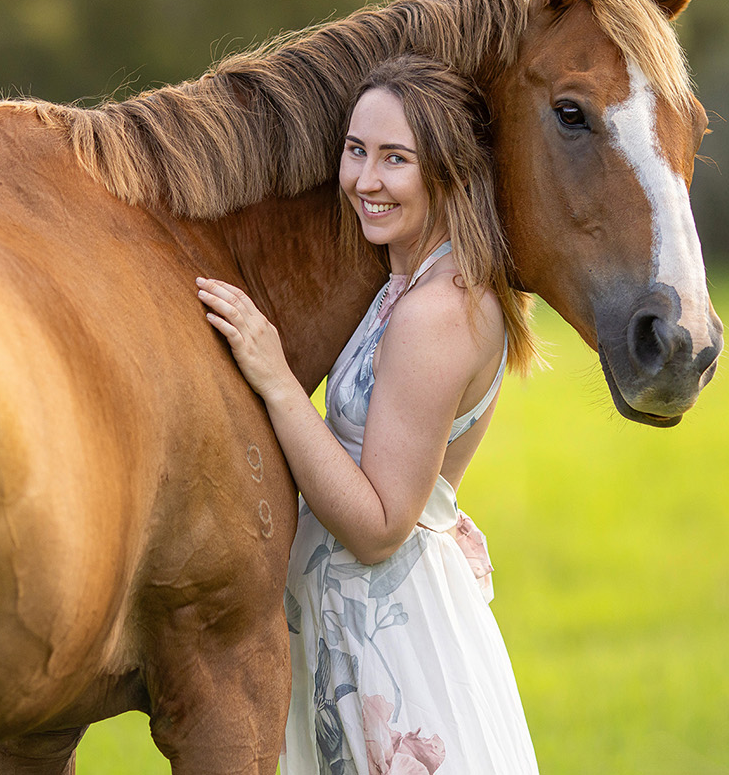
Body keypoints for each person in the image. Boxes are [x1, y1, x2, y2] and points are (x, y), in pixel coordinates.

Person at [196, 54, 541, 774]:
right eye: (356, 151)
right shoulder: (405, 283)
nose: (365, 180)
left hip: (393, 650)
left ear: (447, 171)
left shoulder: (439, 312)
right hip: (349, 631)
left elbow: (380, 526)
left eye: (396, 159)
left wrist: (275, 378)